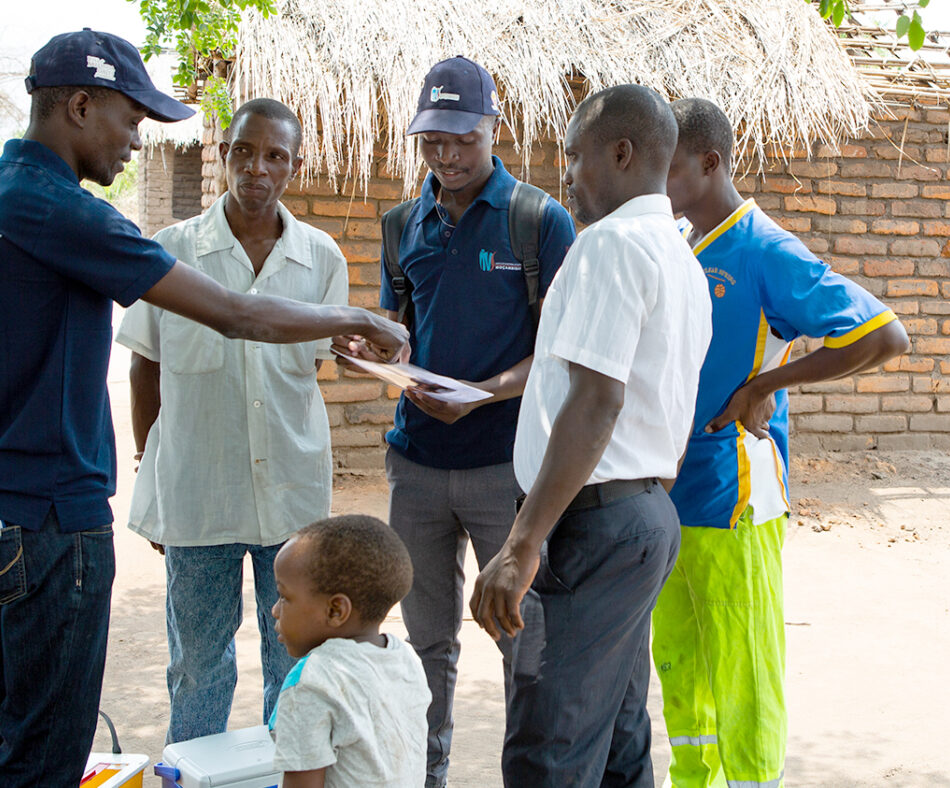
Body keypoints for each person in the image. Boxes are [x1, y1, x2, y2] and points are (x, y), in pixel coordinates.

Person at [0, 30, 405, 788]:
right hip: (54, 512)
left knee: (5, 723)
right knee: (49, 744)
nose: (136, 142)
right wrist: (357, 318)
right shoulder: (66, 213)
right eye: (130, 119)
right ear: (81, 105)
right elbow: (234, 315)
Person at [653, 97, 910, 788]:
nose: (657, 181)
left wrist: (768, 383)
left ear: (710, 164)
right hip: (670, 495)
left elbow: (883, 335)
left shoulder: (764, 249)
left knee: (745, 672)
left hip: (735, 495)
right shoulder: (680, 246)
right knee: (683, 665)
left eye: (669, 167)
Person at [470, 84, 710, 787]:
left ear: (622, 153)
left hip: (591, 527)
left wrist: (521, 544)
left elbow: (598, 400)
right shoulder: (678, 256)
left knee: (550, 748)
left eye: (573, 157)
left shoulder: (609, 245)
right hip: (639, 521)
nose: (565, 176)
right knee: (616, 739)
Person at [117, 98, 346, 742]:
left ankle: (285, 774)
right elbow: (146, 369)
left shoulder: (320, 257)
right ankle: (191, 772)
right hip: (199, 495)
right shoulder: (173, 252)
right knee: (198, 665)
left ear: (293, 168)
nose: (257, 169)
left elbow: (316, 369)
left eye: (275, 156)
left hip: (292, 500)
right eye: (244, 151)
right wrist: (153, 469)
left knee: (293, 664)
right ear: (224, 156)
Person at [375, 55, 575, 787]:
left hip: (507, 468)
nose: (448, 156)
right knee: (426, 642)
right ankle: (428, 775)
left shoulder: (538, 221)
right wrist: (375, 349)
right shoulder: (402, 224)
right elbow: (400, 327)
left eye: (463, 138)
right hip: (416, 467)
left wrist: (486, 393)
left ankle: (534, 777)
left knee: (524, 640)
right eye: (433, 141)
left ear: (494, 128)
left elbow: (561, 354)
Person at [269, 515, 431, 788]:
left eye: (285, 597)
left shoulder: (311, 684)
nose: (274, 610)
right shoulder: (405, 658)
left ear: (336, 611)